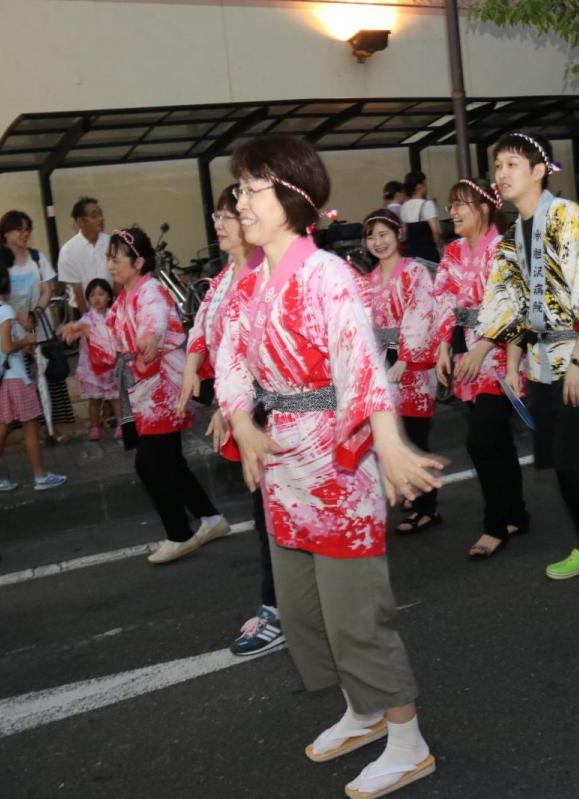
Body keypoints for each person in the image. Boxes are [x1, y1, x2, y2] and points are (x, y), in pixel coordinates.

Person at [215, 133, 442, 798]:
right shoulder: (252, 281)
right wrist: (241, 421)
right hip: (283, 461)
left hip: (337, 466)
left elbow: (360, 365)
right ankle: (364, 710)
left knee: (355, 613)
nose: (241, 200)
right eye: (241, 188)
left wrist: (390, 441)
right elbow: (230, 357)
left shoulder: (327, 276)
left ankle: (407, 739)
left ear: (292, 196)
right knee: (304, 606)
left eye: (253, 188)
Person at [475, 130, 579, 600]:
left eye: (512, 164)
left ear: (539, 171)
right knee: (559, 464)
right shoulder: (514, 233)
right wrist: (506, 357)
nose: (502, 174)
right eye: (498, 166)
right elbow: (512, 305)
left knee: (578, 461)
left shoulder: (569, 217)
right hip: (541, 362)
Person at [62, 227, 229, 565]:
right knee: (169, 463)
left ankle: (180, 534)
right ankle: (210, 519)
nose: (110, 265)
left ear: (138, 262)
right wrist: (85, 328)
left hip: (164, 389)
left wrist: (150, 336)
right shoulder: (124, 298)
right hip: (149, 390)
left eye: (116, 258)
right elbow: (111, 343)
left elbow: (152, 323)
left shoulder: (149, 291)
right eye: (108, 258)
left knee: (151, 463)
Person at [175, 186, 278, 655]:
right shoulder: (224, 278)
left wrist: (230, 404)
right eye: (217, 216)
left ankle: (279, 608)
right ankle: (283, 603)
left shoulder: (263, 272)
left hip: (271, 411)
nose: (220, 224)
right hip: (244, 410)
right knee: (268, 512)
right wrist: (193, 371)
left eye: (229, 215)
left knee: (273, 512)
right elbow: (202, 327)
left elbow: (257, 352)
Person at [435, 178, 528, 558]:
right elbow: (443, 300)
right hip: (467, 358)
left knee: (480, 441)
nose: (453, 212)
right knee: (498, 442)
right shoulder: (453, 251)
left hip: (502, 357)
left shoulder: (504, 249)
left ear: (485, 208)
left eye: (462, 204)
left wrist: (486, 350)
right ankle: (517, 513)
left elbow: (515, 307)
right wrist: (443, 347)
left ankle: (494, 526)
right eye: (451, 205)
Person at [363, 209, 441, 533]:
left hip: (412, 366)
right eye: (371, 237)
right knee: (394, 436)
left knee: (415, 436)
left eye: (383, 234)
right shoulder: (367, 282)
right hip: (385, 366)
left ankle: (427, 507)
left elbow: (421, 315)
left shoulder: (415, 273)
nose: (378, 242)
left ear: (398, 235)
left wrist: (405, 359)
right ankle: (412, 492)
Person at [0, 260, 67, 492]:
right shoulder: (4, 310)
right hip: (15, 378)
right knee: (31, 426)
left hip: (0, 379)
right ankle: (40, 475)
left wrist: (19, 344)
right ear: (3, 282)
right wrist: (26, 341)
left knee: (3, 426)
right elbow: (6, 346)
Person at [0, 211, 75, 439]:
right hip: (11, 334)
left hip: (39, 328)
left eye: (28, 229)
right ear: (6, 233)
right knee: (24, 383)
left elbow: (48, 289)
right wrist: (18, 317)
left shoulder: (37, 257)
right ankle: (30, 432)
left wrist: (36, 312)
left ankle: (52, 429)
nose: (25, 234)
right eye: (20, 229)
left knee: (50, 378)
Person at [75, 278, 121, 441]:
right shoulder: (86, 319)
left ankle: (121, 425)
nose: (97, 298)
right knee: (94, 399)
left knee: (115, 397)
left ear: (109, 296)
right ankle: (94, 426)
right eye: (93, 295)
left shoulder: (114, 316)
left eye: (101, 294)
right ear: (88, 299)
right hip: (92, 367)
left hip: (111, 365)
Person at [57, 197, 111, 314]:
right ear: (80, 222)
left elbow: (118, 279)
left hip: (110, 306)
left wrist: (117, 308)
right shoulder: (68, 250)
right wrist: (86, 318)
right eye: (94, 215)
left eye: (101, 214)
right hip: (82, 309)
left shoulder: (111, 243)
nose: (100, 219)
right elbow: (77, 288)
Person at [399, 171, 441, 262]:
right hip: (428, 253)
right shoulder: (427, 204)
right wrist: (440, 246)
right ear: (419, 187)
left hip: (413, 254)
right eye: (425, 184)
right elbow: (435, 231)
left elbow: (404, 232)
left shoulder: (404, 206)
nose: (427, 187)